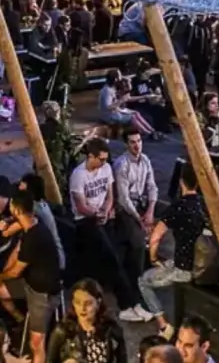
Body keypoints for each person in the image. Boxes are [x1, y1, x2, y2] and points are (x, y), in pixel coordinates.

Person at [69, 138, 151, 323]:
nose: (104, 163)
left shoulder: (105, 169)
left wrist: (106, 210)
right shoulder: (78, 175)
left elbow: (110, 195)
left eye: (106, 159)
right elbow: (81, 206)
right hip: (86, 222)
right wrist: (96, 214)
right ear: (91, 156)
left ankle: (135, 301)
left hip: (103, 217)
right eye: (101, 159)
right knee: (112, 258)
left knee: (126, 249)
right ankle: (126, 304)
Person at [138, 163, 208, 341]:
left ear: (181, 181)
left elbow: (155, 237)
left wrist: (153, 258)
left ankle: (164, 325)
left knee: (144, 281)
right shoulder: (203, 203)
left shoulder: (178, 206)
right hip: (202, 263)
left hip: (183, 268)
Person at [0, 191, 60, 363]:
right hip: (29, 283)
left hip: (42, 294)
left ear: (17, 210)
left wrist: (2, 275)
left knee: (36, 343)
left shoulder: (34, 237)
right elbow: (16, 252)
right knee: (2, 291)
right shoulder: (31, 223)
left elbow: (15, 271)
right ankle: (21, 320)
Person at [113, 128, 159, 288]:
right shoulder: (121, 165)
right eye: (132, 142)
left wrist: (151, 210)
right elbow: (123, 199)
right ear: (126, 144)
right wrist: (140, 219)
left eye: (139, 141)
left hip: (142, 203)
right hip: (126, 208)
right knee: (139, 241)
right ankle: (138, 282)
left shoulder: (145, 160)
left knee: (158, 229)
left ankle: (148, 268)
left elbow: (152, 187)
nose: (137, 145)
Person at [47, 279, 128, 363]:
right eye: (78, 302)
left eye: (88, 303)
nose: (82, 308)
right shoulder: (63, 331)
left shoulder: (112, 331)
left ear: (98, 302)